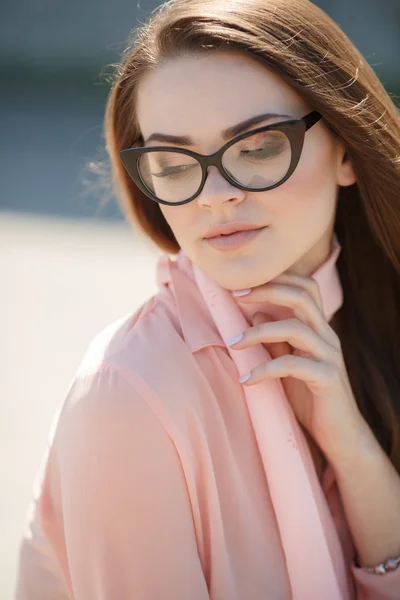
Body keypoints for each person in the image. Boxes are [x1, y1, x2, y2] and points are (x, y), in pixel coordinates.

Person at [15, 0, 400, 598]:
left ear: (346, 148)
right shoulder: (130, 393)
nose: (215, 195)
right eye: (173, 162)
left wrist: (352, 449)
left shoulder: (370, 320)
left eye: (257, 147)